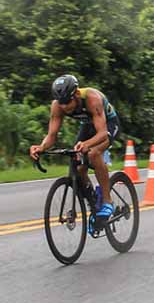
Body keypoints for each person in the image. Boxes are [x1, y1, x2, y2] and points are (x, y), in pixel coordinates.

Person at [29, 74, 120, 221]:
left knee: (93, 153)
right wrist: (41, 147)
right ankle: (92, 200)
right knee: (77, 163)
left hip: (108, 124)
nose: (65, 106)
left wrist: (87, 144)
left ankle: (107, 201)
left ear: (76, 93)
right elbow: (52, 135)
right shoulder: (57, 106)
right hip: (88, 125)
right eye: (61, 102)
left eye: (67, 101)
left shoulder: (92, 99)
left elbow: (102, 133)